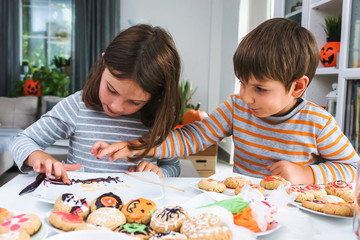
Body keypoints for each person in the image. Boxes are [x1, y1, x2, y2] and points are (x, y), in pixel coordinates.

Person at [92, 18, 359, 185]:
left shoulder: (318, 122)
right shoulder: (236, 108)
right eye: (242, 83)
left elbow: (353, 168)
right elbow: (189, 138)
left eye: (260, 88)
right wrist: (134, 148)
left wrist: (308, 175)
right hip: (243, 204)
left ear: (297, 86)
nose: (245, 96)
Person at [10, 24, 183, 183]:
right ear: (104, 62)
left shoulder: (157, 118)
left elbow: (172, 167)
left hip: (137, 210)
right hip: (80, 208)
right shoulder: (77, 106)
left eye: (134, 101)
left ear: (156, 95)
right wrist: (43, 159)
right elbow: (21, 141)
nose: (116, 106)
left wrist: (159, 171)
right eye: (111, 90)